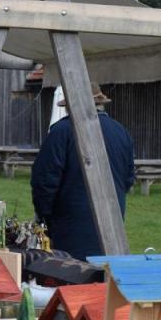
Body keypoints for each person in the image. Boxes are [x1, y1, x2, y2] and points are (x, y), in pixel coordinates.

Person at [30, 84, 135, 261]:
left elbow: (44, 181)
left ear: (71, 106)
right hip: (112, 220)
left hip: (70, 225)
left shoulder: (62, 131)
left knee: (71, 275)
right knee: (104, 277)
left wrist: (44, 215)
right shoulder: (121, 132)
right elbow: (128, 179)